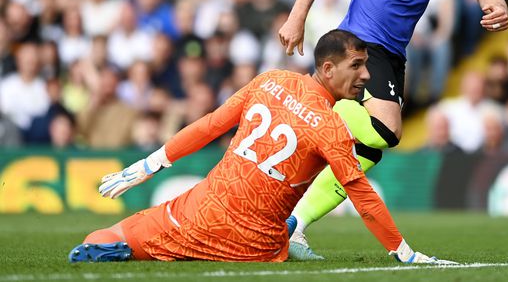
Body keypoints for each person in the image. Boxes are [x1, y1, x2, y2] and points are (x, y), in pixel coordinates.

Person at [278, 0, 508, 259]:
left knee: (369, 150)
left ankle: (294, 226)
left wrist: (497, 7)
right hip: (360, 45)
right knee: (387, 129)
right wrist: (296, 17)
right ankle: (323, 126)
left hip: (395, 53)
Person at [67, 30, 453, 265]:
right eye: (357, 66)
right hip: (256, 245)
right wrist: (403, 251)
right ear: (329, 68)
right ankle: (289, 229)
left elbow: (210, 125)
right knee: (279, 223)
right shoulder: (331, 125)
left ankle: (119, 247)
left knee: (99, 239)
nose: (366, 75)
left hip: (198, 215)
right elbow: (363, 197)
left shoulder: (268, 81)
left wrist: (149, 165)